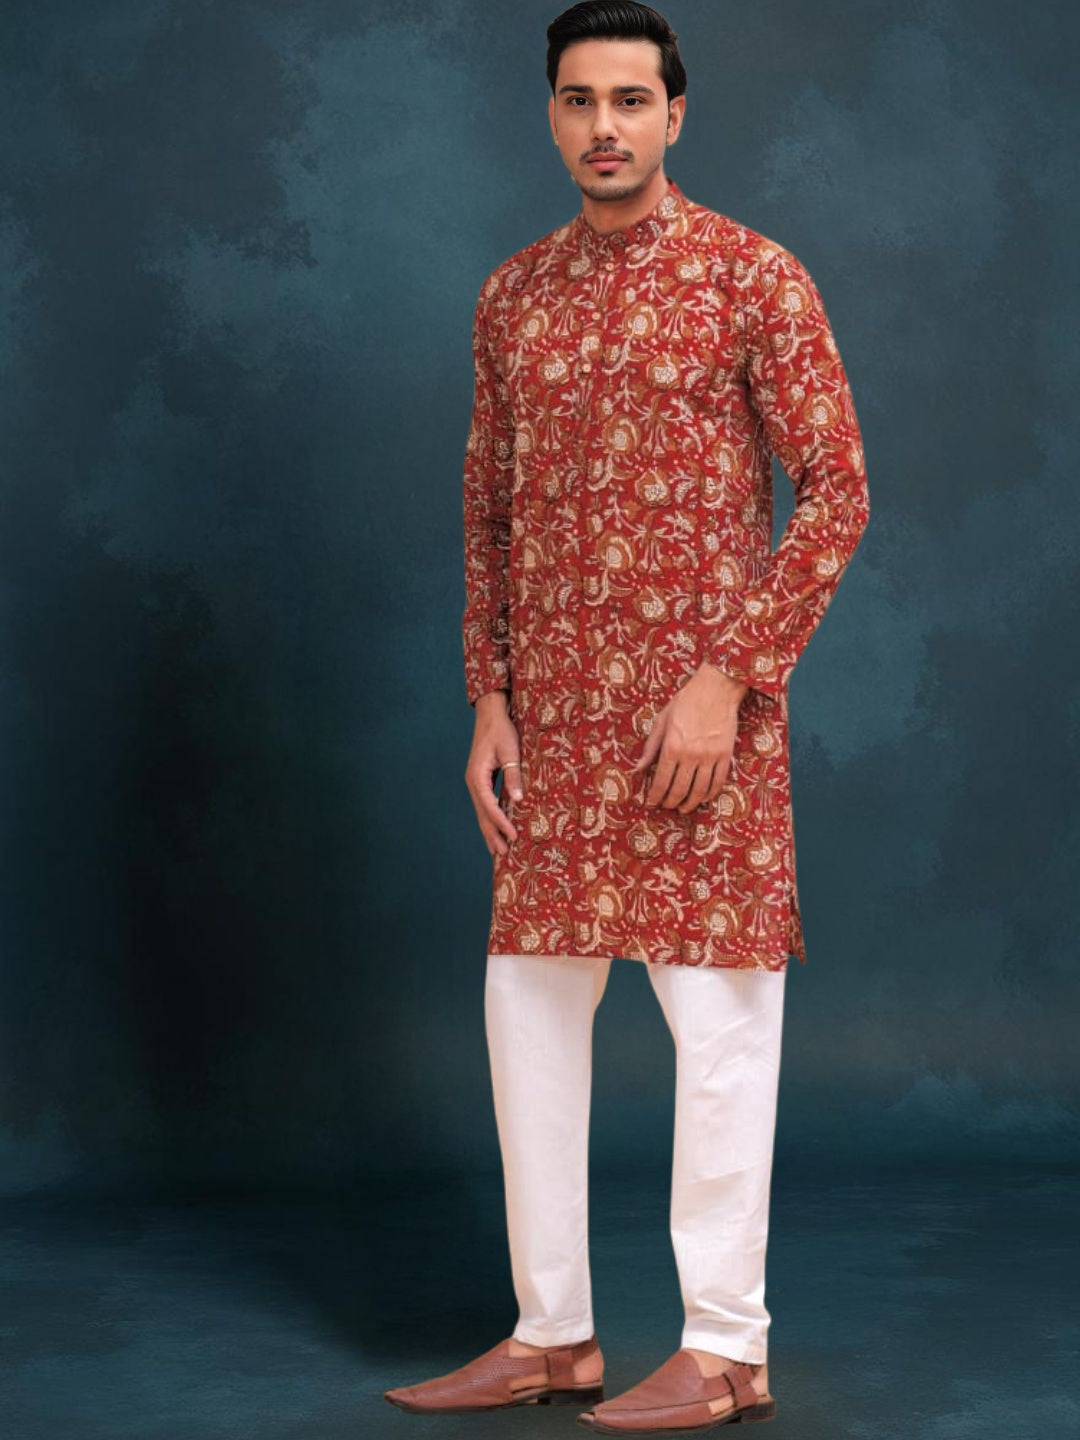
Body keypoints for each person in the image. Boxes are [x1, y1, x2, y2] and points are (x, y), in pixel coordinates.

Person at [386, 1, 869, 1431]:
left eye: (631, 100)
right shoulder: (513, 297)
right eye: (580, 99)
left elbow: (837, 491)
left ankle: (726, 1348)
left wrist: (732, 678)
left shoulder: (751, 277)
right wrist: (488, 699)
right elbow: (486, 512)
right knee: (527, 1011)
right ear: (551, 116)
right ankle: (553, 1334)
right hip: (550, 725)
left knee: (718, 1026)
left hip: (693, 725)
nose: (605, 126)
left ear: (675, 115)